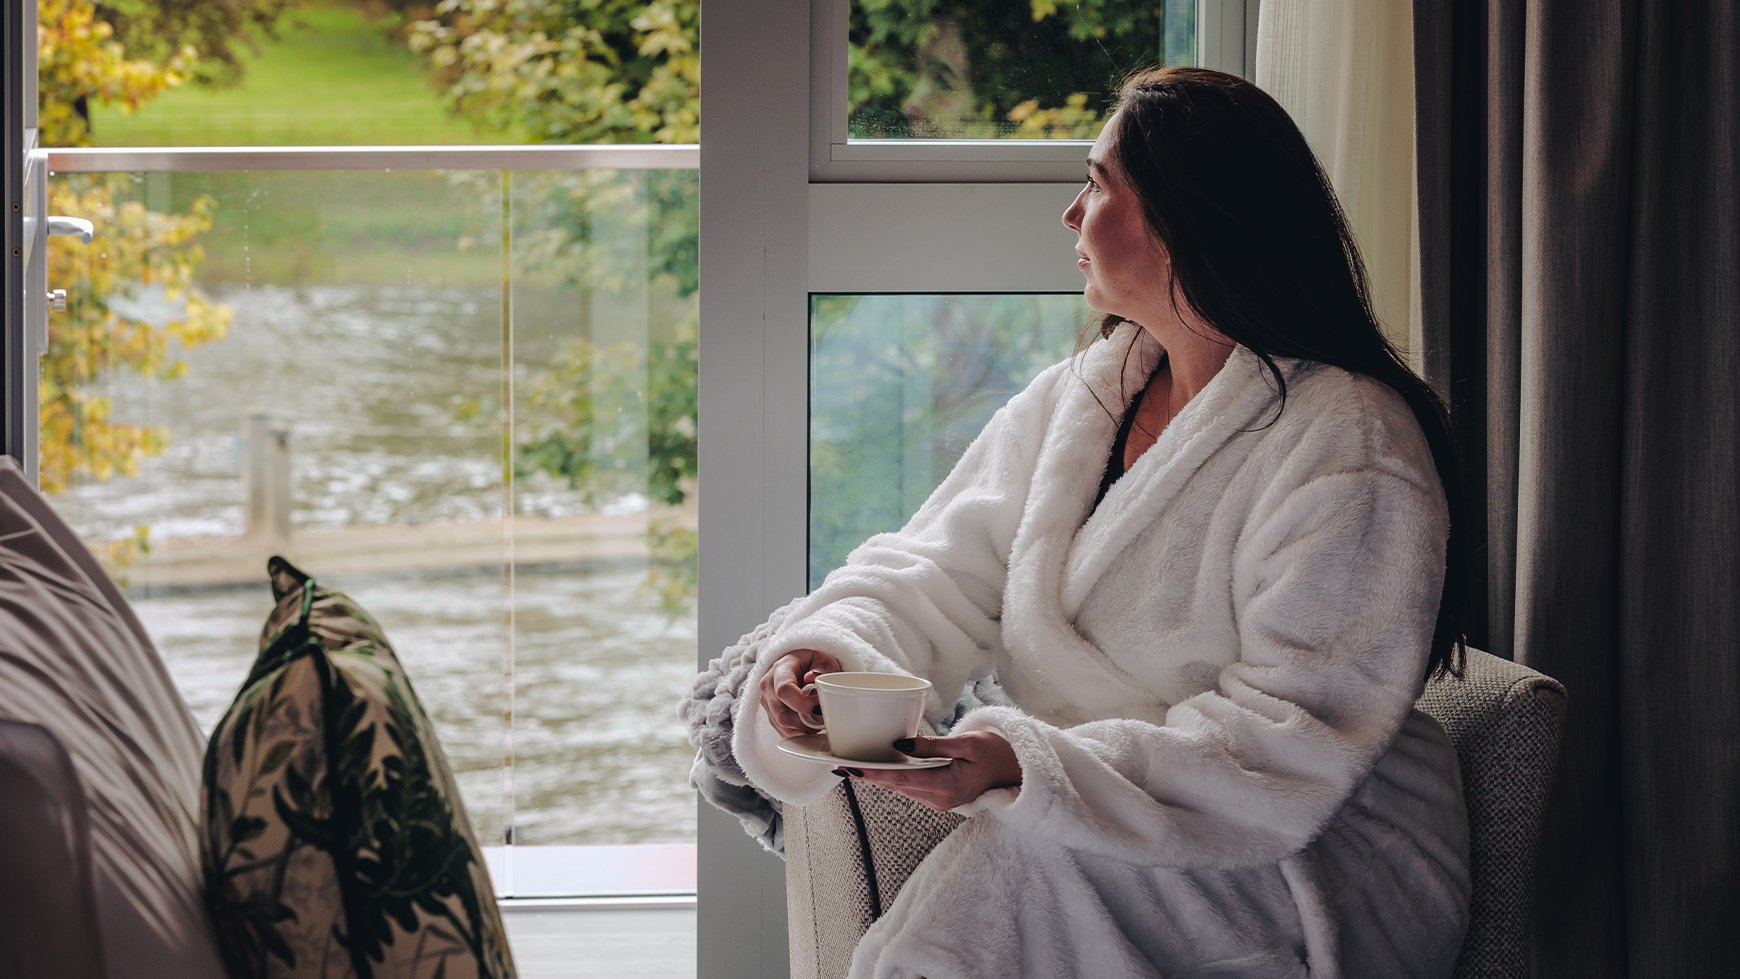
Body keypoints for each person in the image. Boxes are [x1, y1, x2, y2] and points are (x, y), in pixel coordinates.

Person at [726, 66, 1472, 978]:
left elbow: (1291, 731)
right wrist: (830, 657)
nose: (1072, 214)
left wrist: (1021, 763)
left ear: (1187, 216)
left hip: (1311, 850)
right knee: (1018, 872)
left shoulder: (1349, 439)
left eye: (1099, 182)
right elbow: (938, 570)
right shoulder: (1085, 398)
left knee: (1012, 880)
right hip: (1094, 811)